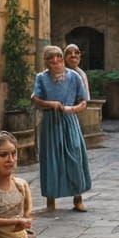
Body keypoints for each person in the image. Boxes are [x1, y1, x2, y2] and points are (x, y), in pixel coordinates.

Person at [32, 45, 92, 212]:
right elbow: (35, 98)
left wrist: (71, 109)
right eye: (51, 58)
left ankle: (78, 198)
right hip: (50, 122)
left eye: (58, 57)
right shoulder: (41, 78)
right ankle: (50, 200)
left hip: (69, 120)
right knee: (51, 159)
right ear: (46, 61)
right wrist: (49, 103)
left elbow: (83, 102)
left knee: (75, 155)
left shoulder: (74, 77)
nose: (56, 60)